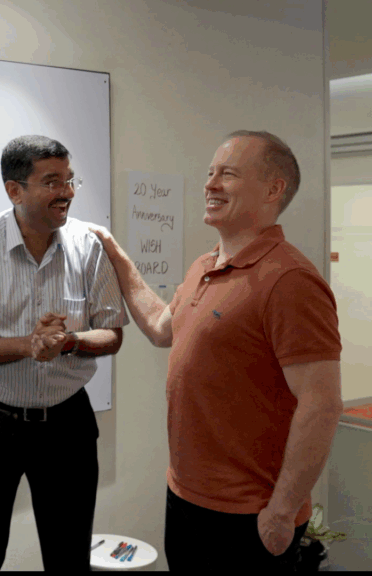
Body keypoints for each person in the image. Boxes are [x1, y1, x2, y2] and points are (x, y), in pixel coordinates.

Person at [90, 131, 343, 570]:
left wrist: (282, 511)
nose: (209, 184)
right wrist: (117, 256)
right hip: (186, 499)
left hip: (248, 515)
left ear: (273, 189)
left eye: (227, 174)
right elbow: (161, 328)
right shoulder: (204, 266)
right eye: (210, 173)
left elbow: (321, 405)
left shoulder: (290, 280)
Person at [0, 135, 127, 571]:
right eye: (52, 181)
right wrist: (30, 345)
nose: (68, 193)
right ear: (14, 190)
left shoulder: (88, 245)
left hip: (68, 425)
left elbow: (112, 335)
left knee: (69, 558)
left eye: (70, 179)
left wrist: (69, 342)